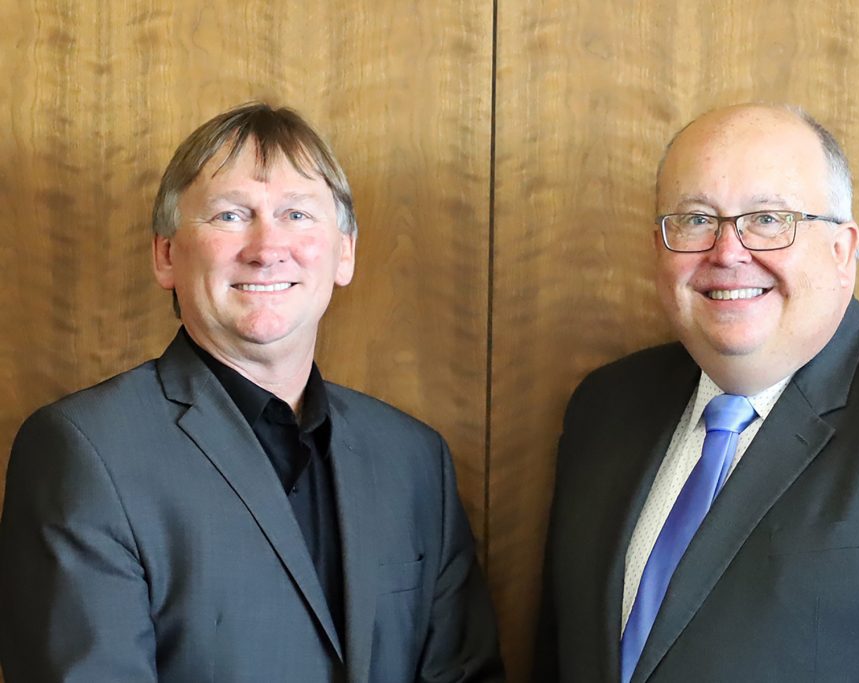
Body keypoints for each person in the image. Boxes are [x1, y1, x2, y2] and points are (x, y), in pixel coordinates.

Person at [0, 102, 504, 682]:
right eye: (230, 216)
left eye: (296, 214)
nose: (267, 248)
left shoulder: (414, 458)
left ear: (344, 253)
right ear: (166, 255)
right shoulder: (86, 451)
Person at [535, 103, 859, 682]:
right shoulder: (605, 405)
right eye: (695, 219)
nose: (727, 252)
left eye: (768, 219)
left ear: (842, 250)